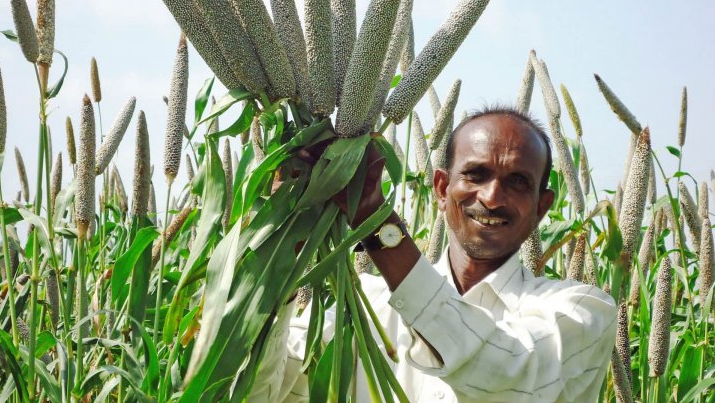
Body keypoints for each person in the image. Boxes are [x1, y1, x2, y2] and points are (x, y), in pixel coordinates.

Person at [251, 105, 617, 402]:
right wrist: (281, 248)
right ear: (442, 189)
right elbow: (264, 392)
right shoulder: (362, 302)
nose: (491, 198)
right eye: (476, 175)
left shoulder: (581, 311)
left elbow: (503, 368)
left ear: (542, 206)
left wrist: (376, 220)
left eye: (517, 182)